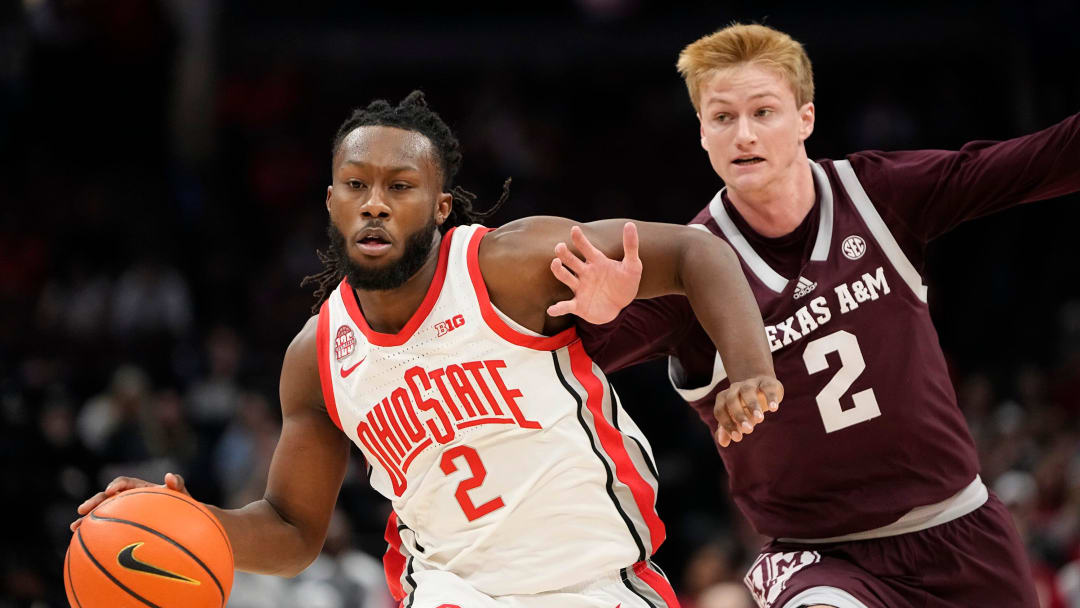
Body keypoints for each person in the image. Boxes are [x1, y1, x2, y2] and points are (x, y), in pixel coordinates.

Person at [71, 91, 783, 608]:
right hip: (452, 592)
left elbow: (696, 252)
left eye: (400, 186)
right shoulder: (317, 354)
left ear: (440, 206)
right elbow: (291, 530)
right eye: (356, 185)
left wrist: (750, 369)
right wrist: (195, 522)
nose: (374, 202)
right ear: (331, 203)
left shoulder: (508, 265)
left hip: (596, 582)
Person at [565, 23, 1080, 608]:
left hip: (960, 527)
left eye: (764, 112)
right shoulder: (688, 267)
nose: (744, 135)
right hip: (816, 557)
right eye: (723, 118)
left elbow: (1037, 162)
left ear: (805, 119)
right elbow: (555, 363)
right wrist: (599, 317)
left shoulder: (878, 194)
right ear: (702, 135)